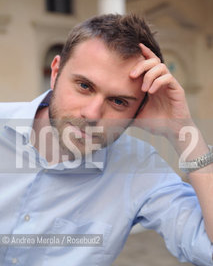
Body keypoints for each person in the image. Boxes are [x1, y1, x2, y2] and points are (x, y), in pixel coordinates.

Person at [0, 14, 213, 266]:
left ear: (138, 110)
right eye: (84, 86)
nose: (92, 115)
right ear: (55, 72)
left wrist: (183, 130)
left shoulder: (139, 168)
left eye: (119, 101)